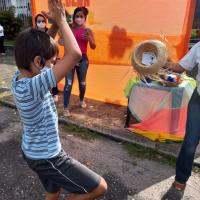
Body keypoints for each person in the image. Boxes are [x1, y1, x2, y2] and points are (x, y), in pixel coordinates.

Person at [11, 1, 107, 200]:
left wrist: (53, 24)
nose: (54, 66)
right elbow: (75, 55)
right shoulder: (35, 85)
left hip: (32, 152)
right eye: (53, 63)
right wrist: (63, 20)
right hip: (48, 157)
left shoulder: (19, 78)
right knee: (99, 187)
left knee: (52, 192)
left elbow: (43, 48)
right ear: (38, 62)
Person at [163, 42, 200, 192]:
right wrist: (162, 62)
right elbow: (181, 67)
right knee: (190, 142)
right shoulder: (199, 46)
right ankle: (181, 178)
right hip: (198, 100)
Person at [62, 6, 96, 117]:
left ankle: (81, 100)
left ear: (85, 18)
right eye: (77, 16)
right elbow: (62, 42)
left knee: (82, 83)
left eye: (81, 16)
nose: (79, 19)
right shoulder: (70, 29)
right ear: (74, 17)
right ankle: (65, 107)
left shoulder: (88, 30)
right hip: (70, 59)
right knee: (68, 83)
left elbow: (93, 46)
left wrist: (89, 38)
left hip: (83, 59)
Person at [35, 13, 59, 102]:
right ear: (35, 23)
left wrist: (55, 57)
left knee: (52, 76)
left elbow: (54, 45)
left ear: (46, 22)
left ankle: (55, 93)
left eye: (43, 21)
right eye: (39, 21)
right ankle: (45, 95)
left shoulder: (50, 31)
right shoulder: (34, 34)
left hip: (49, 58)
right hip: (39, 60)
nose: (41, 23)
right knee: (42, 78)